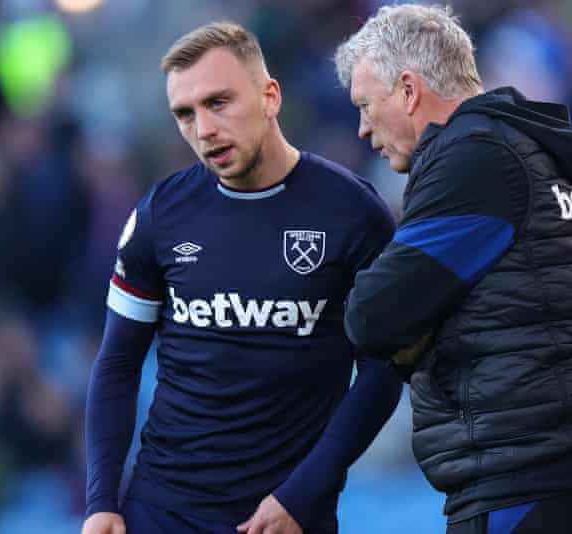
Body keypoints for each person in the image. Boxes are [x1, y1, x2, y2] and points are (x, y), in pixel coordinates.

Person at [81, 22, 402, 534]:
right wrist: (101, 500)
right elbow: (117, 362)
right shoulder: (161, 216)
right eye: (184, 114)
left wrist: (303, 494)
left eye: (218, 103)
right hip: (161, 515)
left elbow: (383, 372)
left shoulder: (353, 214)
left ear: (269, 96)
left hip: (287, 519)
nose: (202, 129)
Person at [335, 5, 572, 534]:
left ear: (408, 90)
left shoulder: (475, 158)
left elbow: (372, 317)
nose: (362, 129)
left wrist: (414, 326)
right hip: (559, 470)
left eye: (366, 105)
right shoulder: (519, 150)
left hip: (525, 475)